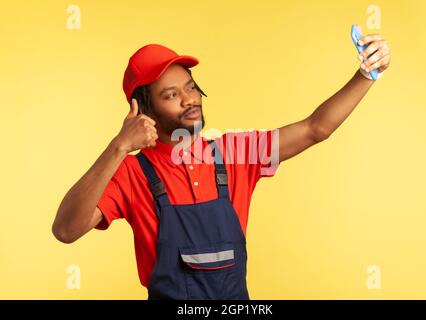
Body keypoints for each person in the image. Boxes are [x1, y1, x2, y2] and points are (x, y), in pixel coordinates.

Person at [52, 36, 391, 299]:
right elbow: (66, 230)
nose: (189, 99)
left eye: (190, 86)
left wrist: (367, 73)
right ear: (144, 108)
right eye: (171, 95)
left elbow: (316, 128)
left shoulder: (234, 154)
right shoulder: (130, 173)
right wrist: (119, 146)